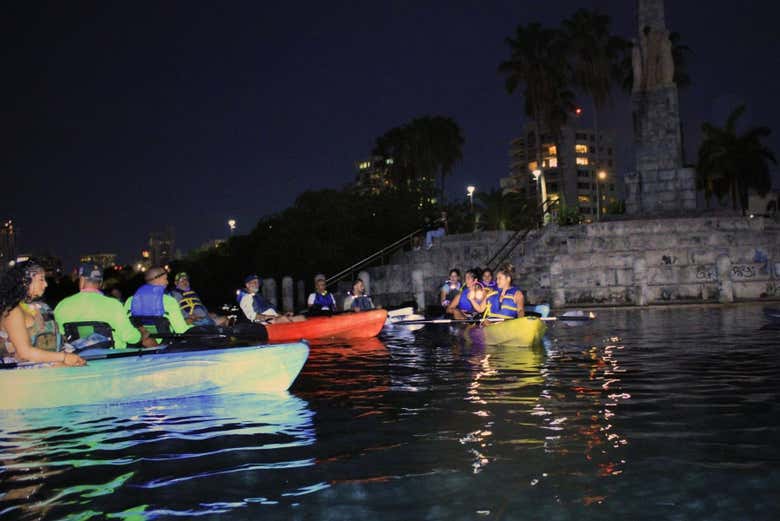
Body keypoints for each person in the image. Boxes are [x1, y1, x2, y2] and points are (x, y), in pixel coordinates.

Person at [0, 260, 85, 366]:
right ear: (25, 281)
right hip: (18, 373)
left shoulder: (42, 307)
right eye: (41, 280)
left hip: (43, 367)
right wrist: (63, 357)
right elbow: (24, 353)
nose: (45, 284)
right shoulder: (12, 312)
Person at [54, 263, 152, 348]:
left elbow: (60, 338)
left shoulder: (62, 305)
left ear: (82, 280)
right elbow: (130, 337)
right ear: (100, 283)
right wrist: (142, 333)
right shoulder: (113, 305)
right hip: (112, 361)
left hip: (77, 361)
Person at [124, 266, 191, 334]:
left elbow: (127, 328)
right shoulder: (169, 301)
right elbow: (181, 331)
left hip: (139, 342)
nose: (167, 282)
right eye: (165, 279)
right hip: (166, 343)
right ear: (158, 279)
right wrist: (196, 327)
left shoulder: (130, 300)